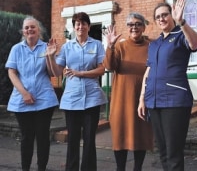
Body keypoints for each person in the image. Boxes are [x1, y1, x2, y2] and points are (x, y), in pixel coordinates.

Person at [137, 0, 197, 171]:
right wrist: (142, 98)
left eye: (165, 14)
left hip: (175, 101)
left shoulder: (181, 35)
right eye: (158, 17)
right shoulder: (154, 44)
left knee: (174, 153)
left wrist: (182, 22)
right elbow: (148, 71)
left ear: (172, 15)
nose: (162, 19)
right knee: (162, 151)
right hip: (154, 101)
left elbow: (195, 44)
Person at [46, 12, 106, 171]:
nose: (80, 26)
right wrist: (51, 57)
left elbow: (101, 69)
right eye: (77, 24)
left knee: (89, 139)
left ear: (88, 26)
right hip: (71, 99)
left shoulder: (97, 45)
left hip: (92, 98)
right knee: (72, 139)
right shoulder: (67, 47)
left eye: (83, 23)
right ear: (74, 27)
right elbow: (57, 73)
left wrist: (81, 73)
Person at [5, 16, 59, 171]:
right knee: (26, 137)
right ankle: (25, 168)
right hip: (22, 100)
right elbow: (12, 73)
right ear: (23, 31)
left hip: (44, 99)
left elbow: (51, 73)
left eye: (33, 27)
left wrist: (50, 56)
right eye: (27, 27)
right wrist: (24, 93)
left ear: (39, 30)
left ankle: (42, 168)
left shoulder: (46, 47)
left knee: (43, 138)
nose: (30, 30)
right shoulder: (16, 49)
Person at [103, 13, 154, 171]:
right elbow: (109, 66)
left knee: (141, 136)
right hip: (121, 100)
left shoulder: (152, 45)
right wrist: (110, 46)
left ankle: (137, 168)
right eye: (131, 24)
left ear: (144, 27)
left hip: (143, 99)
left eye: (138, 24)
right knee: (120, 136)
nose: (134, 27)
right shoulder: (120, 46)